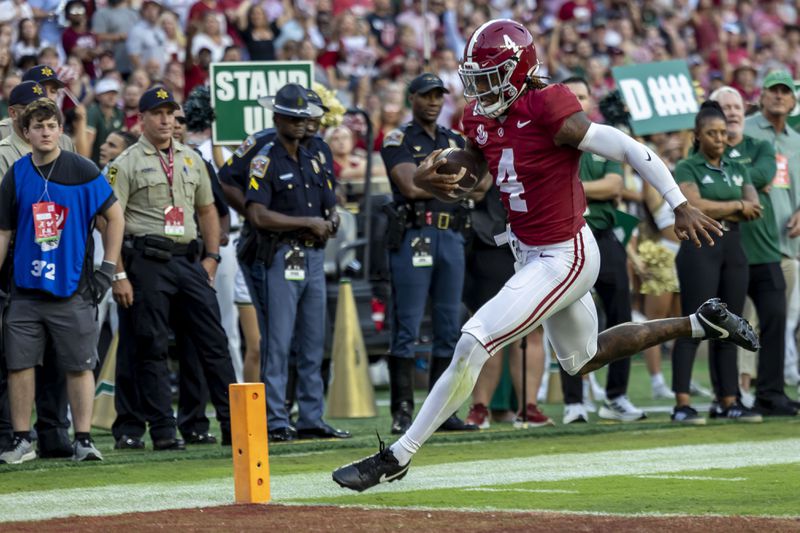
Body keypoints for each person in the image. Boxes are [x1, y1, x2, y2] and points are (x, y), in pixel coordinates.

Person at [332, 19, 758, 492]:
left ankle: (399, 454)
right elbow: (480, 166)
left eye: (490, 76)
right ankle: (701, 324)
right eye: (476, 77)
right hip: (528, 251)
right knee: (582, 358)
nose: (480, 87)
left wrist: (678, 203)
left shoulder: (549, 106)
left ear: (519, 70)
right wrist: (442, 182)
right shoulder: (479, 115)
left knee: (474, 340)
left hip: (564, 254)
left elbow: (627, 147)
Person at [109, 86, 236, 450]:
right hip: (147, 259)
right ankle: (163, 429)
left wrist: (211, 257)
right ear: (141, 119)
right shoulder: (126, 163)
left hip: (189, 259)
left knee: (213, 341)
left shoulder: (192, 159)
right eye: (157, 113)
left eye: (170, 113)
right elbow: (109, 221)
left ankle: (234, 424)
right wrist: (118, 272)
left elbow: (208, 209)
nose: (166, 120)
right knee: (150, 345)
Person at [0, 98, 124, 464]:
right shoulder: (17, 173)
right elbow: (4, 232)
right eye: (37, 126)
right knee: (19, 365)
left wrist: (108, 267)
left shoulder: (83, 170)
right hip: (25, 288)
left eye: (52, 125)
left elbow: (115, 217)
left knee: (79, 364)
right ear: (25, 132)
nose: (46, 132)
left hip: (73, 286)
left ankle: (83, 439)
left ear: (60, 129)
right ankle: (23, 440)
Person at [244, 83, 349, 442]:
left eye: (304, 118)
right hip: (282, 253)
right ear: (277, 119)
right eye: (293, 119)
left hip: (315, 255)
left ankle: (310, 416)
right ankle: (275, 419)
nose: (302, 124)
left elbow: (329, 197)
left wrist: (332, 216)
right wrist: (308, 223)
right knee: (278, 342)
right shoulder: (266, 158)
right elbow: (257, 214)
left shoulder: (316, 153)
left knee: (313, 340)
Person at [380, 73, 477, 435]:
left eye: (439, 95)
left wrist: (433, 180)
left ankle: (444, 411)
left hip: (450, 234)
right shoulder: (398, 138)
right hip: (414, 234)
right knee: (406, 325)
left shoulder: (452, 139)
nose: (434, 101)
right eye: (426, 95)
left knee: (449, 326)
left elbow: (479, 182)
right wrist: (452, 182)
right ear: (412, 99)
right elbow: (409, 185)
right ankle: (402, 411)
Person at [671, 101, 764, 424]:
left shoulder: (738, 166)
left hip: (734, 246)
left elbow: (755, 206)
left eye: (723, 132)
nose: (720, 138)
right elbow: (694, 205)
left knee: (732, 325)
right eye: (712, 133)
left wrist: (726, 207)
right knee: (695, 324)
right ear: (698, 135)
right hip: (701, 247)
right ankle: (682, 402)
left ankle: (728, 399)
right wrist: (735, 204)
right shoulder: (687, 166)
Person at [560, 76, 645, 424]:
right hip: (568, 236)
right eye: (572, 97)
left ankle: (616, 396)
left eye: (583, 96)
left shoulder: (602, 136)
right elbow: (605, 187)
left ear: (591, 101)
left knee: (620, 312)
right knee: (566, 317)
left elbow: (616, 184)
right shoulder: (553, 140)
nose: (579, 102)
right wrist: (594, 190)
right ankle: (574, 402)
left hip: (605, 235)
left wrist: (574, 187)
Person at [712, 86, 799, 416]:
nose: (733, 112)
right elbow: (749, 182)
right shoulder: (707, 152)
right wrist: (741, 193)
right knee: (730, 326)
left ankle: (771, 393)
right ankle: (728, 396)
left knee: (776, 322)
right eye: (725, 107)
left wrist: (724, 192)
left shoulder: (761, 146)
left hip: (766, 250)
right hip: (729, 252)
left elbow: (765, 175)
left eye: (737, 106)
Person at [0, 81, 76, 459]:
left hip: (59, 257)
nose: (44, 119)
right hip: (15, 255)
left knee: (61, 352)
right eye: (35, 110)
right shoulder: (5, 154)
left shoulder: (68, 148)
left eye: (49, 113)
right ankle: (13, 433)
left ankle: (54, 429)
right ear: (17, 116)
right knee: (14, 353)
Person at [463, 184, 552, 429]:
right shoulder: (489, 145)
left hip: (535, 241)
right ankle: (480, 407)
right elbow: (477, 186)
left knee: (533, 329)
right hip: (492, 240)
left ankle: (529, 406)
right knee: (489, 328)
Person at [743, 70, 800, 404]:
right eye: (773, 91)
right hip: (751, 241)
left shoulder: (796, 139)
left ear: (793, 100)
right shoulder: (745, 131)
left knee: (777, 321)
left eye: (785, 92)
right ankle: (743, 390)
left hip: (788, 244)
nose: (779, 96)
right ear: (761, 96)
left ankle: (771, 390)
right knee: (747, 318)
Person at [86, 78, 124, 166]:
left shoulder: (120, 113)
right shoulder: (92, 112)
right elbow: (89, 142)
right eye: (107, 93)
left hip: (114, 163)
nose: (111, 97)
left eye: (114, 94)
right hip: (93, 163)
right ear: (98, 96)